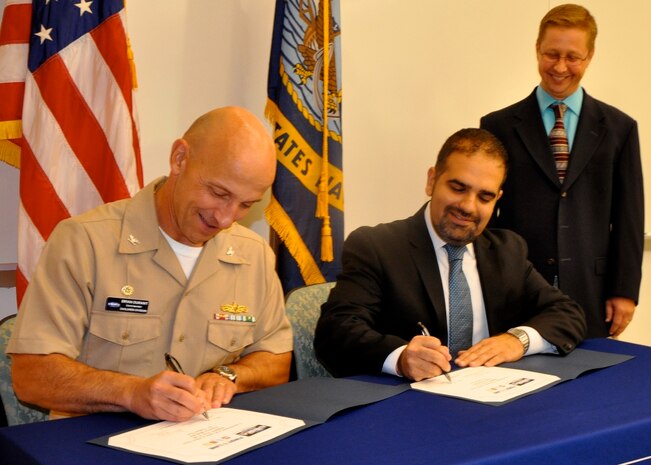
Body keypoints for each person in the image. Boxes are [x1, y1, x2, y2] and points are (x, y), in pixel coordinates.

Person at [7, 106, 293, 421]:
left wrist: (228, 374)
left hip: (203, 439)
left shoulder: (254, 254)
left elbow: (276, 359)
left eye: (246, 205)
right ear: (180, 159)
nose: (226, 218)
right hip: (95, 442)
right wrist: (131, 392)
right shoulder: (84, 242)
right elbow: (31, 376)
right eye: (218, 193)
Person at [314, 128, 586, 381]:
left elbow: (567, 313)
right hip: (409, 408)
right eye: (458, 188)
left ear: (497, 199)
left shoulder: (507, 250)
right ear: (432, 181)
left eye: (485, 197)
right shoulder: (377, 246)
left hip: (494, 400)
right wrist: (400, 358)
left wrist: (517, 340)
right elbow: (335, 332)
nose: (468, 206)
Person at [480, 4, 643, 338]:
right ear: (537, 49)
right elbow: (485, 213)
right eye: (551, 54)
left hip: (591, 291)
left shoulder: (620, 128)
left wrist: (625, 290)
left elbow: (629, 217)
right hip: (516, 290)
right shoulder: (497, 126)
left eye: (573, 57)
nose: (560, 67)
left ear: (590, 56)